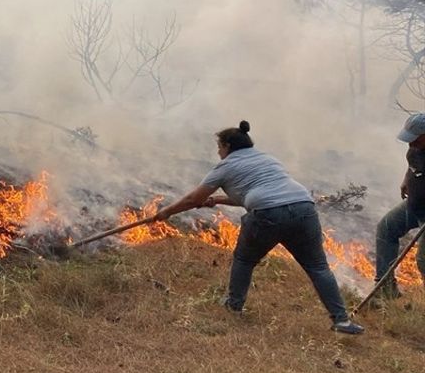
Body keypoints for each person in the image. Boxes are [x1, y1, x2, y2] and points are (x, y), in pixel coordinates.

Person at [154, 121, 363, 334]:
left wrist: (167, 212)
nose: (218, 152)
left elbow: (193, 199)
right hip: (303, 209)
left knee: (245, 260)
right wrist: (216, 200)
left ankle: (234, 305)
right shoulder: (267, 159)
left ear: (227, 146)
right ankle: (341, 320)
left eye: (219, 147)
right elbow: (253, 194)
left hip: (268, 215)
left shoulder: (226, 166)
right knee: (318, 267)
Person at [373, 112, 425, 298]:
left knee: (424, 260)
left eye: (415, 139)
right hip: (415, 206)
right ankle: (385, 290)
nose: (411, 144)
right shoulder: (416, 149)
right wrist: (407, 180)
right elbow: (414, 166)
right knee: (386, 228)